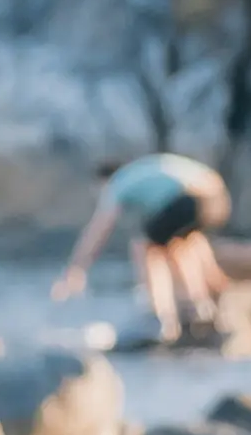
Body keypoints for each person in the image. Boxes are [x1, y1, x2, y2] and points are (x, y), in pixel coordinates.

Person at [59, 145, 240, 348]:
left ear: (103, 181)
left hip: (190, 196)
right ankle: (199, 310)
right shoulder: (142, 173)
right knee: (179, 246)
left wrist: (77, 268)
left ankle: (155, 316)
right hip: (217, 195)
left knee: (143, 245)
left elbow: (98, 230)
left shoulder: (118, 183)